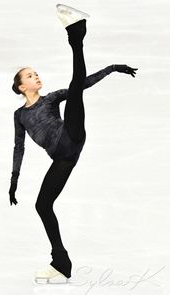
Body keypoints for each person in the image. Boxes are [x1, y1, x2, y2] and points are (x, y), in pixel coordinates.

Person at [9, 4, 138, 283]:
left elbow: (82, 84)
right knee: (43, 206)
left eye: (36, 73)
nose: (36, 76)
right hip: (63, 157)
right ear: (21, 87)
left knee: (76, 89)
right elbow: (19, 147)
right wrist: (14, 179)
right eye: (30, 76)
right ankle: (61, 262)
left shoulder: (51, 98)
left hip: (71, 135)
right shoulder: (20, 115)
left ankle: (76, 34)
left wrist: (112, 68)